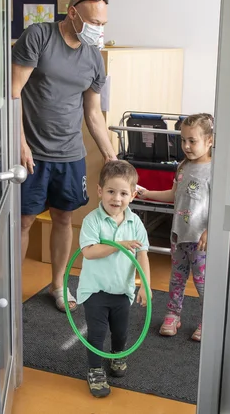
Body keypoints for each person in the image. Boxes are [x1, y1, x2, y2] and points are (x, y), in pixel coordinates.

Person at [13, 0, 116, 313]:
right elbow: (12, 92)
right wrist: (20, 142)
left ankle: (58, 286)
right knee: (24, 221)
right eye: (93, 21)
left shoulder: (93, 57)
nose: (98, 29)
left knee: (64, 217)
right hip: (32, 153)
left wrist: (111, 157)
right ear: (72, 13)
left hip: (70, 154)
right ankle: (12, 291)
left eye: (103, 23)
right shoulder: (39, 37)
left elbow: (93, 113)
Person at [78, 161, 151, 398]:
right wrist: (118, 246)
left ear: (133, 195)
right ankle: (95, 370)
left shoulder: (135, 222)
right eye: (110, 191)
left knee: (120, 333)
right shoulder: (92, 220)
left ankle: (117, 355)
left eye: (123, 193)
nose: (116, 198)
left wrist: (145, 287)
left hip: (122, 290)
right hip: (95, 290)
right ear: (100, 191)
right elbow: (89, 251)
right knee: (97, 333)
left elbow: (142, 255)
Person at [138, 114, 214, 342]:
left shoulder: (215, 170)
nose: (186, 146)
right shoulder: (182, 166)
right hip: (178, 235)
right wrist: (147, 193)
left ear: (209, 141)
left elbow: (220, 205)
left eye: (193, 141)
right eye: (183, 140)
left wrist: (209, 231)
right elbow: (173, 194)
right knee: (177, 278)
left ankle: (208, 319)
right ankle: (173, 313)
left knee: (203, 283)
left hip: (200, 239)